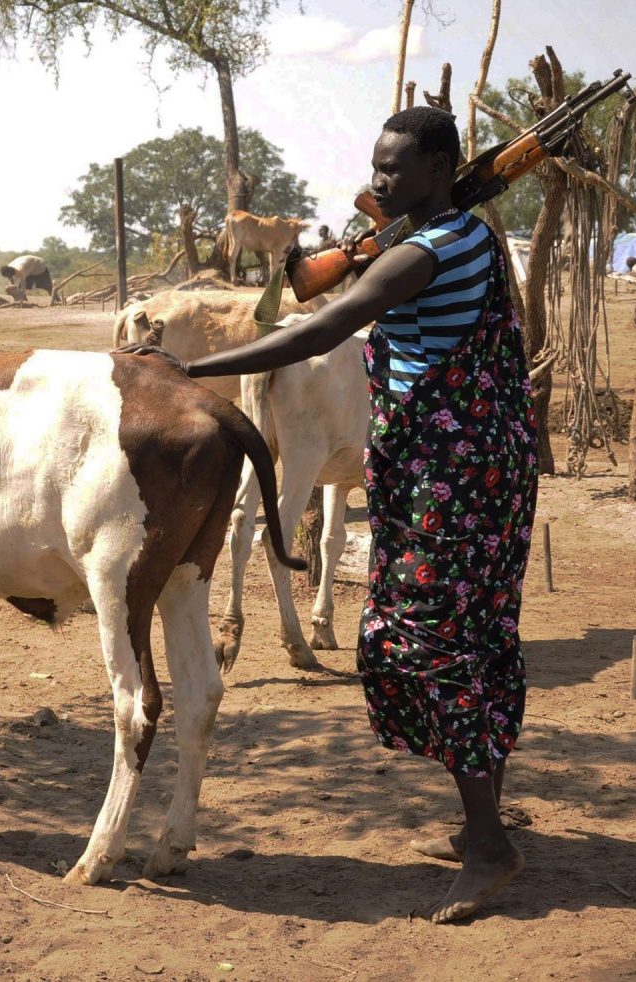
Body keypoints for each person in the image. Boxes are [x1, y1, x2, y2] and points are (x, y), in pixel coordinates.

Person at [143, 107, 536, 924]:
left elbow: (319, 327)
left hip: (446, 474)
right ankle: (481, 825)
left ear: (440, 169)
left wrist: (188, 369)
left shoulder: (422, 253)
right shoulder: (475, 238)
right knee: (482, 632)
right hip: (490, 465)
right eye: (376, 165)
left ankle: (491, 844)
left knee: (418, 642)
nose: (380, 181)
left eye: (396, 170)